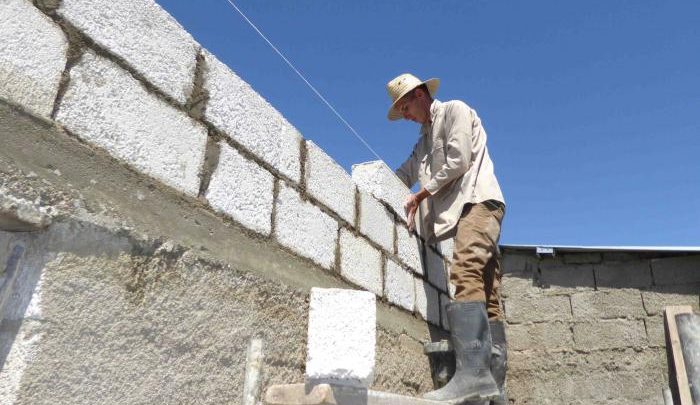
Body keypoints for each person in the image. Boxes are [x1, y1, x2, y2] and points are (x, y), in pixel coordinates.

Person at [387, 73, 508, 404]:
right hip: (464, 213)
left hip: (478, 202)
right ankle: (494, 383)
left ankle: (473, 376)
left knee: (465, 271)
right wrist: (380, 187)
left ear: (421, 94)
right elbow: (402, 174)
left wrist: (419, 196)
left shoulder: (455, 110)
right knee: (487, 293)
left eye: (406, 107)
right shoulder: (422, 144)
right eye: (401, 111)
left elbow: (459, 160)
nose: (406, 116)